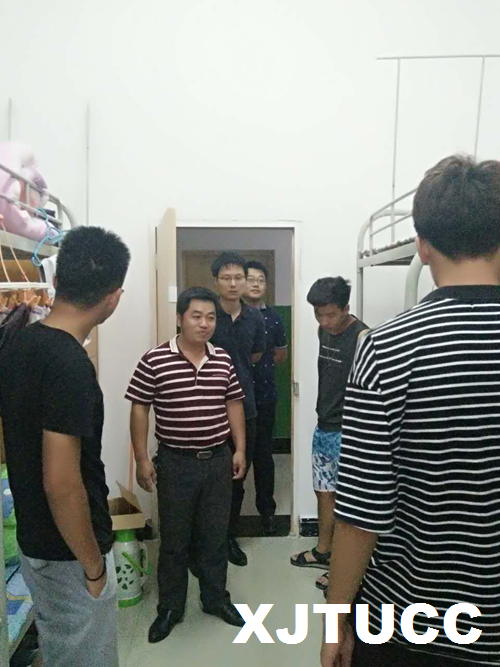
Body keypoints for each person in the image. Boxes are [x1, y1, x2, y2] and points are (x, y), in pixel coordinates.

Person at [321, 155, 500, 667]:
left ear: (422, 244)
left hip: (407, 620)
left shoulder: (386, 348)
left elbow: (360, 513)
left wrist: (336, 621)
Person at [0, 226, 130, 667]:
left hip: (35, 538)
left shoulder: (19, 342)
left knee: (60, 648)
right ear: (114, 297)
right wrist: (93, 566)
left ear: (55, 280)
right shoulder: (70, 364)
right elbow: (62, 483)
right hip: (68, 551)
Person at [125, 287, 246, 643]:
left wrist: (240, 448)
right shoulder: (155, 360)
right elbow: (139, 407)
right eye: (196, 316)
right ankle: (170, 608)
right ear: (180, 318)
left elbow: (234, 403)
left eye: (211, 317)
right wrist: (141, 458)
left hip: (218, 460)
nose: (204, 324)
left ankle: (215, 599)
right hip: (176, 463)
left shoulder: (222, 359)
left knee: (215, 537)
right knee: (175, 541)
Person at [291, 277, 368, 593]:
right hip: (324, 425)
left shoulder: (363, 338)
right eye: (318, 314)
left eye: (331, 315)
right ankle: (324, 550)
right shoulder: (323, 331)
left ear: (346, 308)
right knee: (324, 491)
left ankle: (341, 569)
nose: (324, 321)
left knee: (349, 500)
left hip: (350, 431)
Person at [210, 252, 266, 566]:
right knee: (209, 478)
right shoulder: (207, 315)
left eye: (238, 278)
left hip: (245, 407)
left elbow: (255, 356)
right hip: (208, 408)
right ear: (216, 281)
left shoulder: (255, 318)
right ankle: (208, 539)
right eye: (226, 278)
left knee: (237, 476)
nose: (233, 284)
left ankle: (229, 536)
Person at [244, 260, 288, 535]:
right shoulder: (230, 316)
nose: (256, 284)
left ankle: (267, 512)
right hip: (233, 400)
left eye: (261, 279)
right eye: (251, 279)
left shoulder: (274, 318)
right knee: (234, 458)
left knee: (263, 457)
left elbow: (280, 355)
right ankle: (227, 520)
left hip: (265, 396)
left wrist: (262, 367)